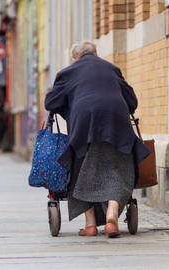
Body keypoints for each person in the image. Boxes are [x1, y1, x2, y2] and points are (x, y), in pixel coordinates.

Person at [44, 41, 150, 237]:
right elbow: (132, 102)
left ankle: (90, 224)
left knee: (80, 170)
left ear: (74, 57)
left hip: (84, 124)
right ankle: (112, 213)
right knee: (119, 166)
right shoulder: (112, 69)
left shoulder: (67, 72)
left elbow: (51, 103)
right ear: (96, 53)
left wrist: (70, 107)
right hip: (116, 122)